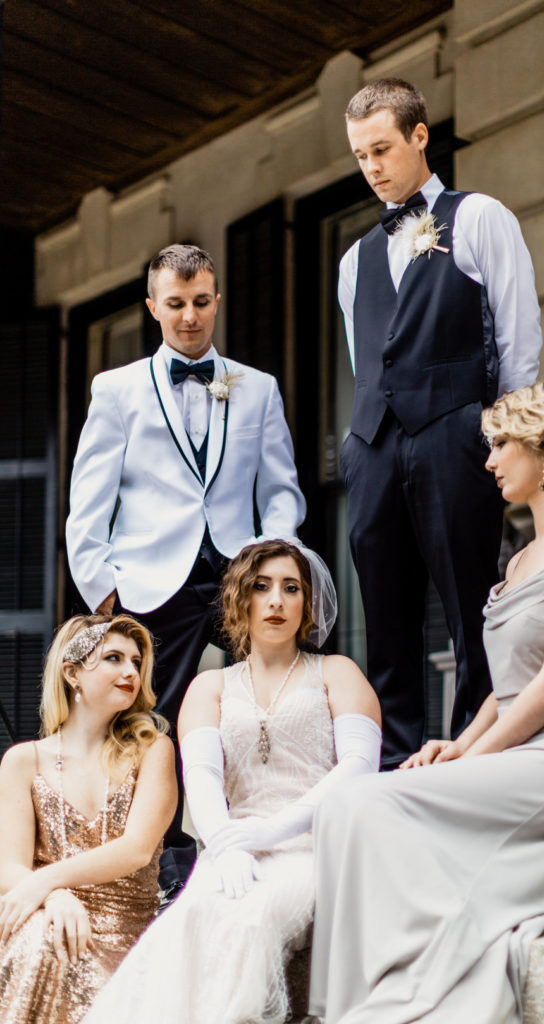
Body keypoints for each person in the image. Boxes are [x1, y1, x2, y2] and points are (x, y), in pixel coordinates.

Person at [309, 381, 544, 1024]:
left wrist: (471, 760)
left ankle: (409, 988)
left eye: (501, 445)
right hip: (517, 751)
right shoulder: (517, 561)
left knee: (375, 803)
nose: (488, 461)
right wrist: (456, 745)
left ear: (543, 450)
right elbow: (503, 688)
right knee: (347, 802)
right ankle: (354, 1001)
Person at [66, 244, 306, 898]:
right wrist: (105, 592)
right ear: (153, 306)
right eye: (175, 304)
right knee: (150, 723)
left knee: (271, 704)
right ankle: (162, 864)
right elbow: (89, 499)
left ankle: (274, 838)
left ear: (216, 299)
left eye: (201, 302)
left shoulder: (256, 387)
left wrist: (272, 557)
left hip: (239, 580)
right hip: (149, 584)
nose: (190, 317)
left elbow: (281, 487)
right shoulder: (116, 390)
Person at [84, 539, 381, 1024]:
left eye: (291, 588)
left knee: (252, 917)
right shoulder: (211, 687)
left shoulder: (337, 672)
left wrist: (271, 832)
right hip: (232, 845)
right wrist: (226, 842)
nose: (277, 601)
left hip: (319, 846)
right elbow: (200, 777)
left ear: (307, 602)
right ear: (240, 599)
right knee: (188, 919)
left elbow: (357, 770)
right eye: (262, 587)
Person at [339, 77, 543, 767]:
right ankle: (396, 763)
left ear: (419, 136)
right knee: (384, 620)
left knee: (468, 607)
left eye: (381, 148)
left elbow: (519, 341)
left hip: (455, 435)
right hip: (372, 447)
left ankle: (469, 757)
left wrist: (504, 439)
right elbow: (368, 358)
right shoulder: (351, 262)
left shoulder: (481, 217)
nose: (370, 167)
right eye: (360, 154)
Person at [0, 614, 176, 1024]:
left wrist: (47, 879)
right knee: (43, 939)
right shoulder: (23, 760)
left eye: (136, 662)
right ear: (72, 673)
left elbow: (136, 850)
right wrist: (55, 896)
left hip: (125, 931)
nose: (131, 671)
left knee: (55, 945)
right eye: (114, 658)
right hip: (47, 916)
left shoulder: (153, 751)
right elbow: (9, 866)